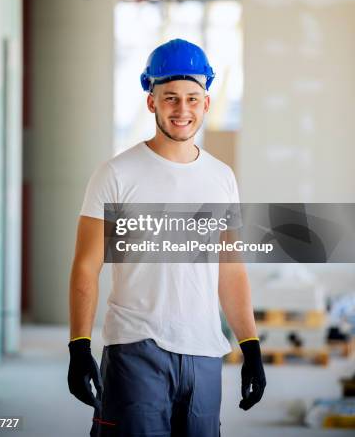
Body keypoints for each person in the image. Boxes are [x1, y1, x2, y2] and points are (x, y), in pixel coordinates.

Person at [68, 39, 266, 436]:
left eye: (193, 98)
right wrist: (79, 346)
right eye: (171, 97)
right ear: (151, 101)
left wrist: (251, 345)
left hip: (204, 352)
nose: (182, 109)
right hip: (135, 349)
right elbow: (86, 266)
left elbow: (229, 268)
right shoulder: (116, 174)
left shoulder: (221, 177)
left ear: (206, 104)